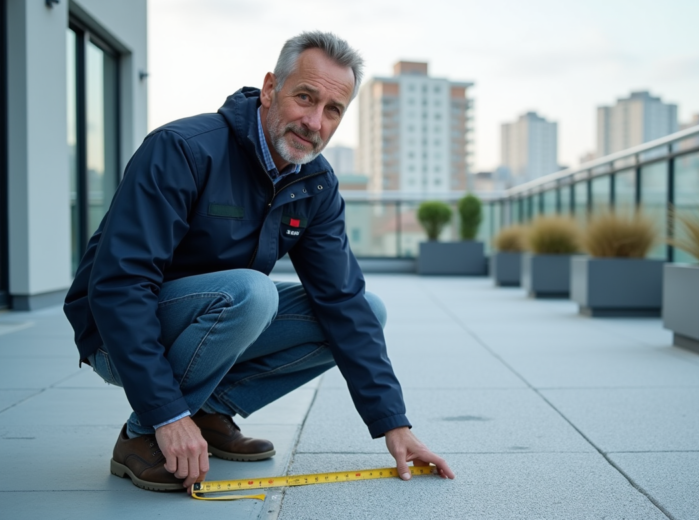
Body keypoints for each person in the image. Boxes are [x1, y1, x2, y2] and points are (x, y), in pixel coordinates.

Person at [64, 31, 454, 493]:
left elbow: (343, 301)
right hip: (114, 334)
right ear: (270, 88)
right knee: (252, 293)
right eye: (304, 97)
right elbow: (121, 284)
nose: (314, 122)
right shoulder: (183, 149)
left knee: (367, 310)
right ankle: (142, 434)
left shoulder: (315, 184)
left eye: (333, 110)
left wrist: (395, 424)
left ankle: (209, 410)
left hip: (212, 318)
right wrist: (165, 413)